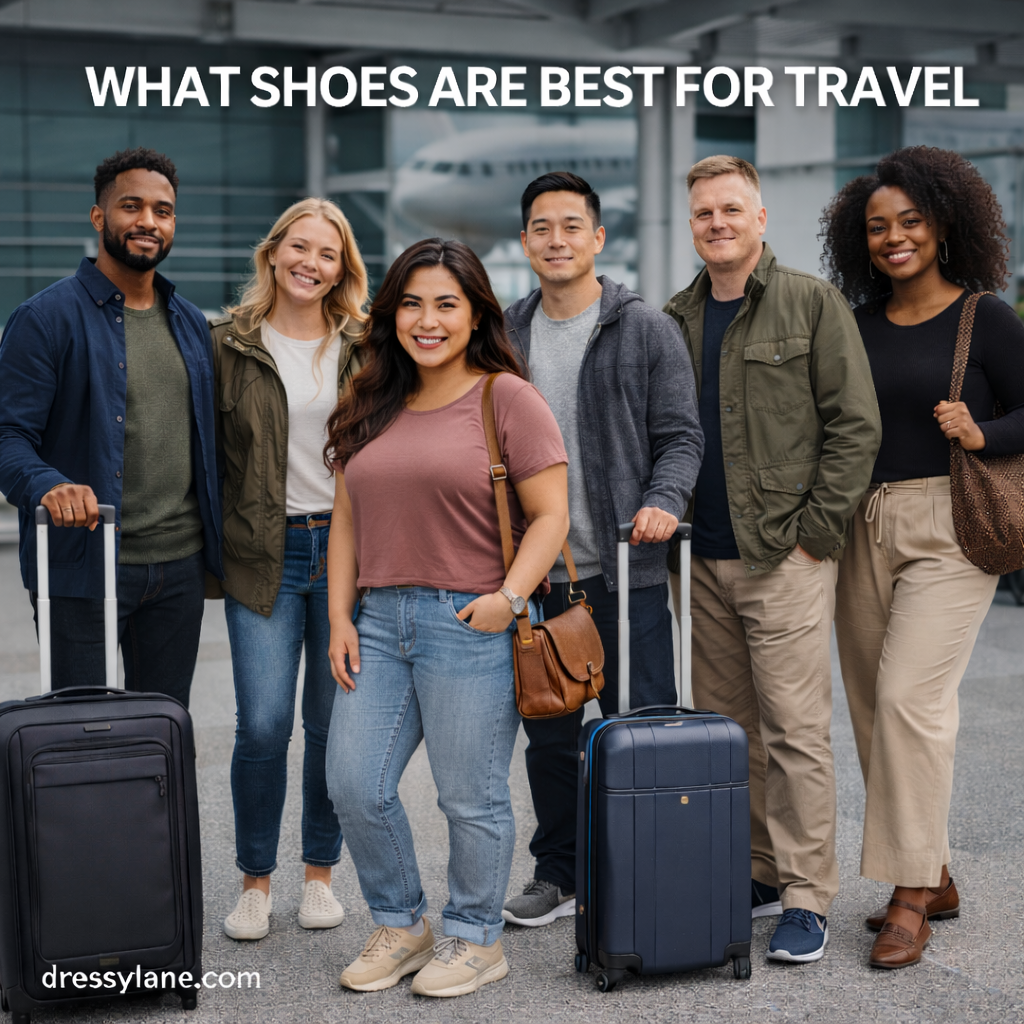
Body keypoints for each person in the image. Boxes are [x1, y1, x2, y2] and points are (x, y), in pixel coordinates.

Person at [323, 238, 569, 997]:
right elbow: (347, 520)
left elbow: (553, 515)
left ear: (475, 313)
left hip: (469, 620)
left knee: (471, 797)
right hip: (379, 620)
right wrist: (339, 618)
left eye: (446, 304)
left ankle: (473, 937)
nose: (426, 320)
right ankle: (401, 923)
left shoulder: (507, 398)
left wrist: (508, 600)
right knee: (354, 783)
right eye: (412, 303)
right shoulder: (370, 397)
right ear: (390, 311)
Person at [664, 155, 881, 964]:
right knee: (731, 732)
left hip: (781, 554)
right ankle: (757, 871)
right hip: (701, 561)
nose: (716, 223)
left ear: (759, 219)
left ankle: (805, 894)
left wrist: (815, 535)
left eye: (730, 209)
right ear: (691, 227)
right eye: (702, 214)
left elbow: (854, 426)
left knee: (795, 732)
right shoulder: (677, 316)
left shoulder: (810, 303)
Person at [821, 146, 1024, 969]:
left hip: (950, 525)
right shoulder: (854, 324)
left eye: (909, 221)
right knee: (872, 708)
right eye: (878, 226)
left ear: (943, 225)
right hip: (860, 525)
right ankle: (931, 869)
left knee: (911, 699)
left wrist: (984, 432)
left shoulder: (987, 317)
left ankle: (909, 896)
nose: (894, 238)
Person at [501, 171, 704, 929]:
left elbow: (681, 437)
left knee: (639, 731)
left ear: (597, 238)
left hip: (627, 570)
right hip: (540, 576)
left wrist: (662, 499)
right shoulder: (505, 334)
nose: (557, 240)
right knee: (549, 739)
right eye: (542, 228)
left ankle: (645, 870)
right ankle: (559, 873)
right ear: (525, 241)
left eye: (571, 226)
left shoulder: (644, 326)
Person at [0, 147, 222, 705]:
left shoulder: (192, 323)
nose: (148, 221)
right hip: (83, 565)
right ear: (99, 217)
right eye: (132, 206)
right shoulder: (44, 319)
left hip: (179, 569)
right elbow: (8, 437)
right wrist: (48, 485)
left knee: (164, 734)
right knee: (83, 735)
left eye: (164, 211)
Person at [208, 198, 369, 941]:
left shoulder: (367, 346)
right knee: (265, 725)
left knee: (331, 725)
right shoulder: (227, 342)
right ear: (273, 253)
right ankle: (254, 883)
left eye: (327, 254)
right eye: (298, 247)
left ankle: (318, 876)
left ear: (343, 269)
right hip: (263, 555)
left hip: (347, 555)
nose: (311, 263)